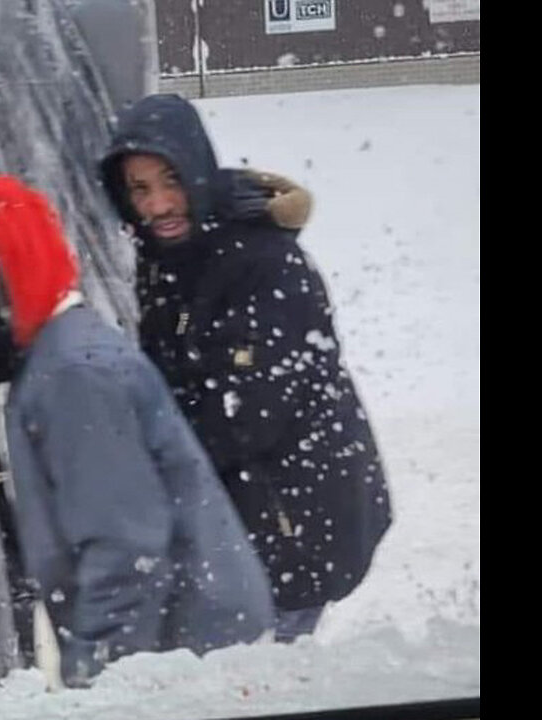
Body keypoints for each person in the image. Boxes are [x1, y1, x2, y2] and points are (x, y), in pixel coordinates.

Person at [0, 174, 276, 686]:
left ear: (18, 264)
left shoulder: (71, 375)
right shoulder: (46, 362)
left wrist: (97, 685)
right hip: (180, 652)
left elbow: (127, 553)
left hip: (191, 663)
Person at [98, 93, 393, 640]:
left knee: (265, 673)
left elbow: (245, 413)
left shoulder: (265, 263)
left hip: (299, 517)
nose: (159, 205)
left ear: (196, 172)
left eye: (171, 181)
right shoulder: (164, 260)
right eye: (140, 189)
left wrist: (141, 453)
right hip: (250, 521)